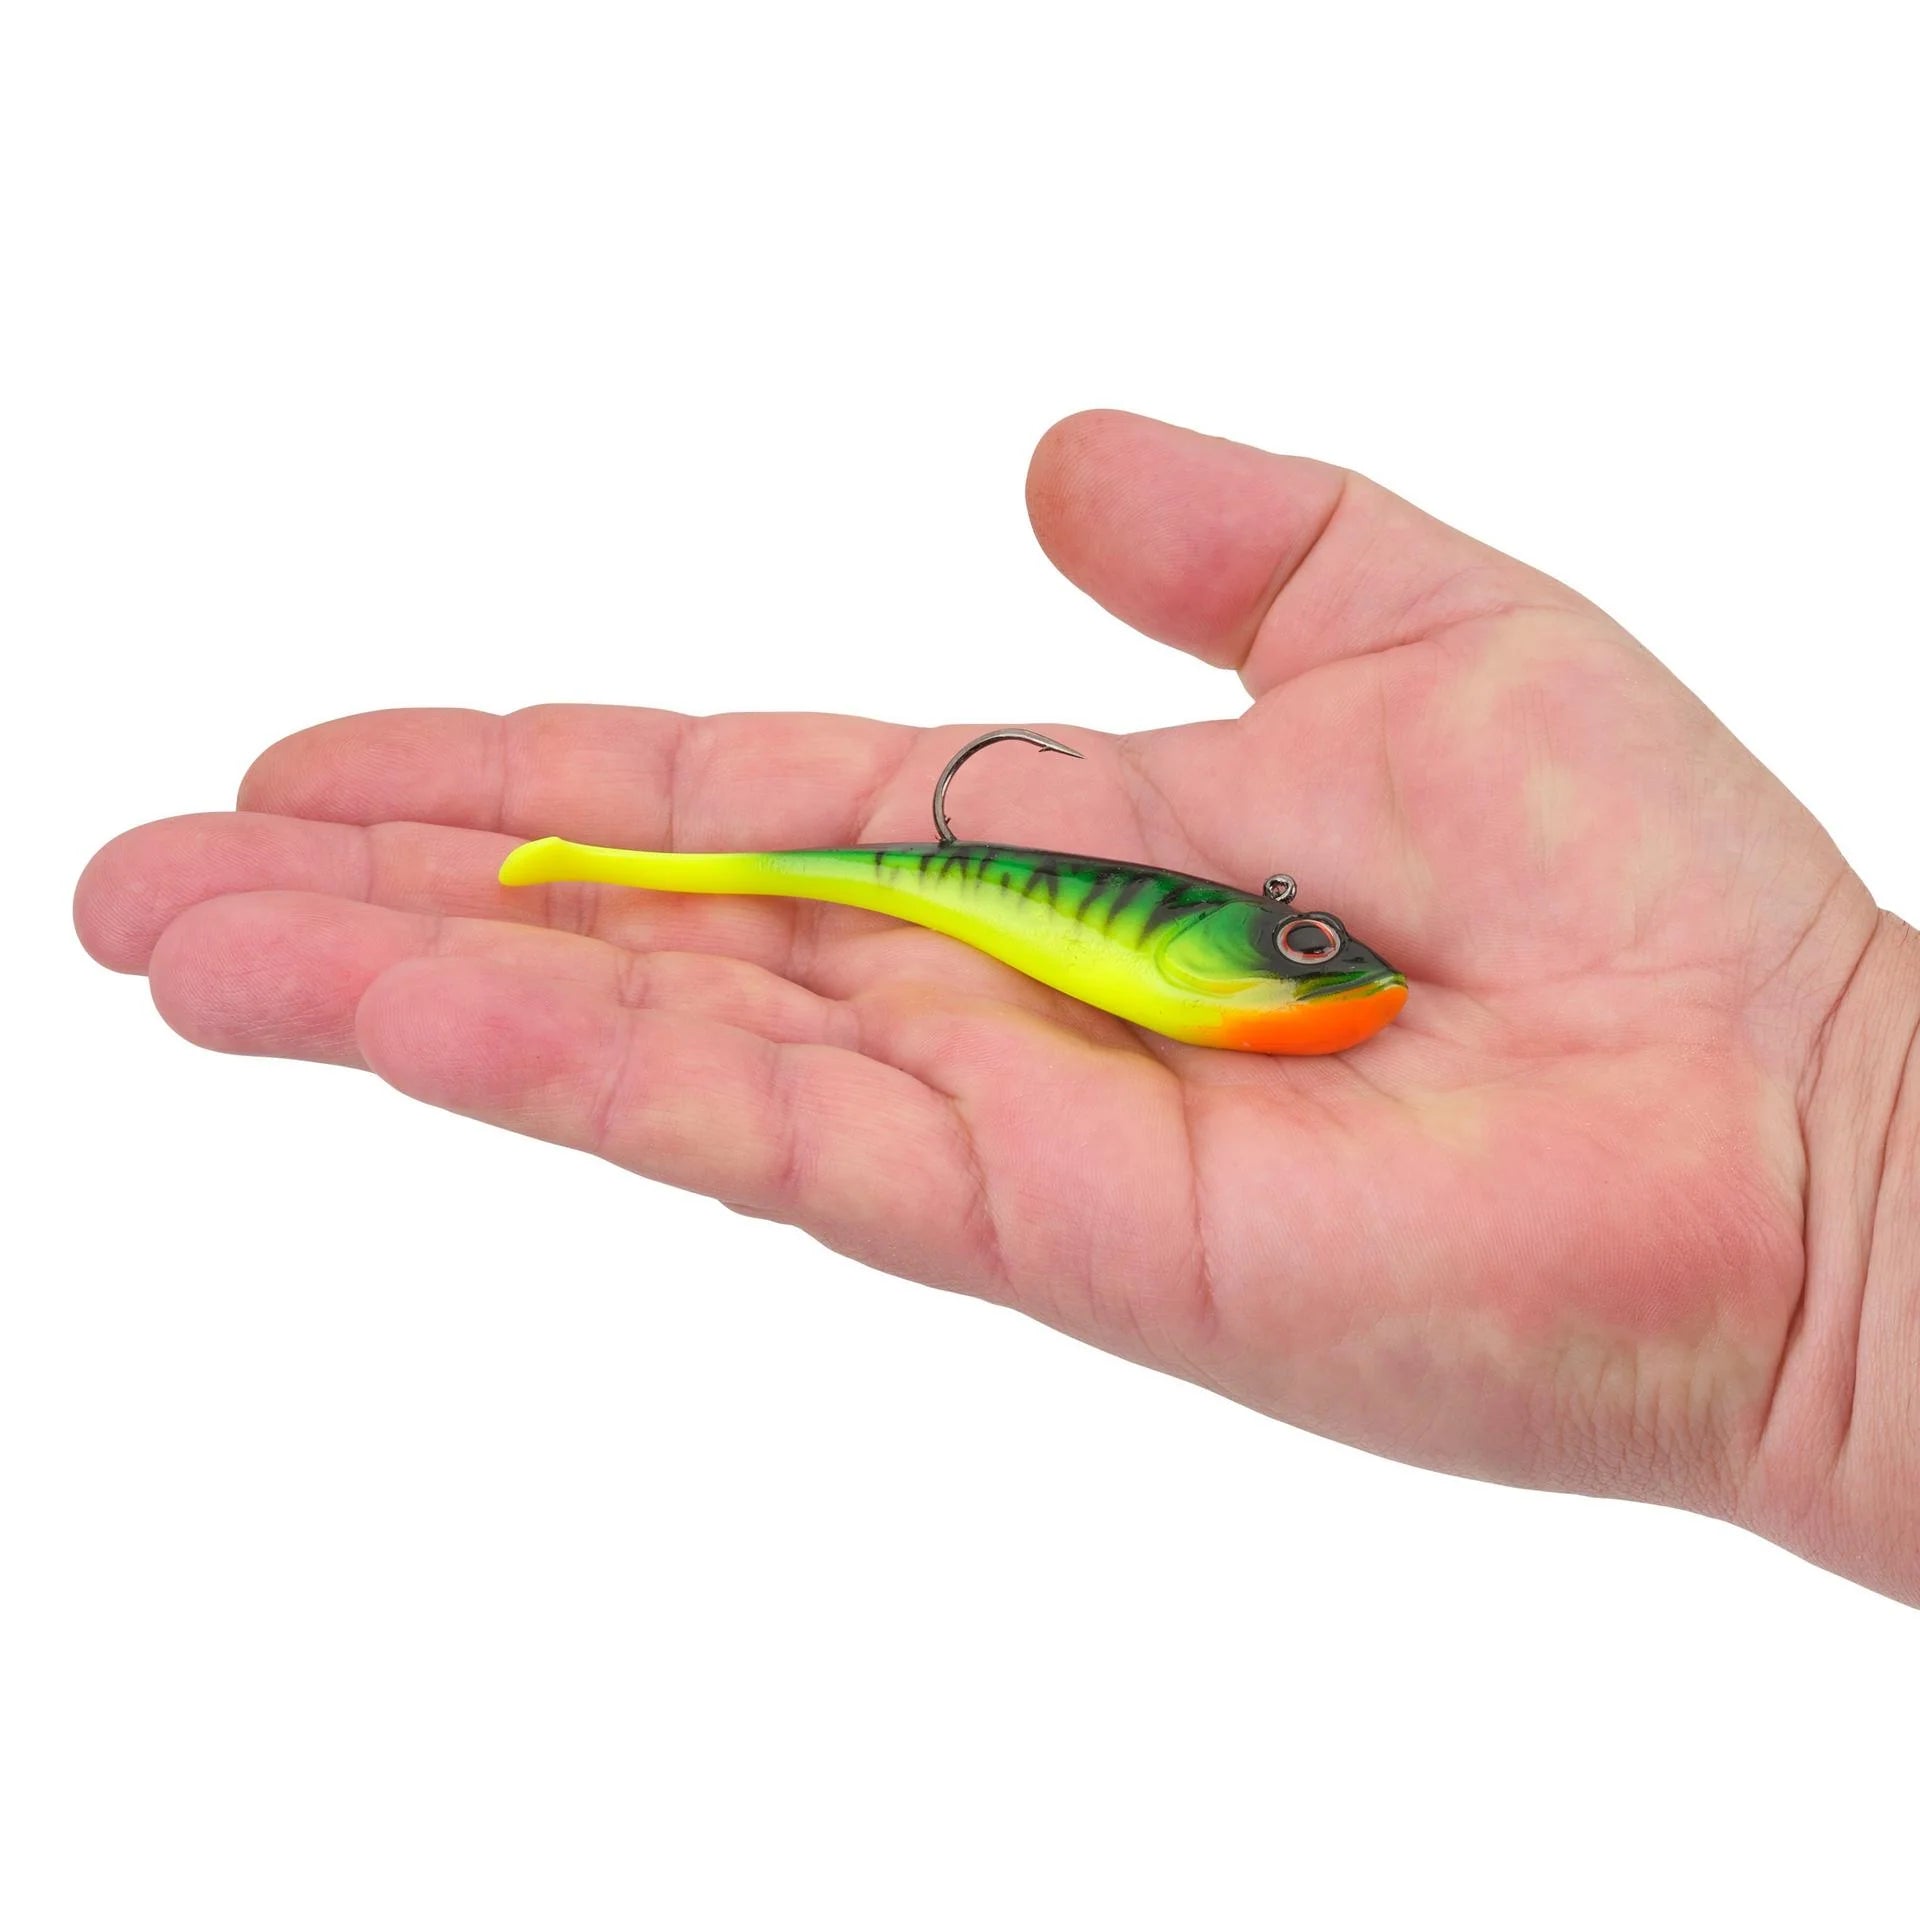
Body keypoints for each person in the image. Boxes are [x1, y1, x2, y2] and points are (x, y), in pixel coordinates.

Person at [73, 410, 1917, 1605]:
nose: (1345, 983)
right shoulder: (1194, 954)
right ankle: (612, 861)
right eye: (1317, 964)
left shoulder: (1281, 974)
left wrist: (1849, 1201)